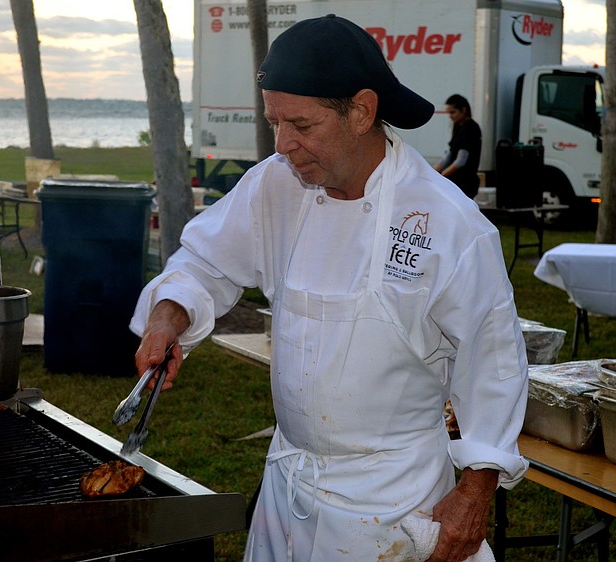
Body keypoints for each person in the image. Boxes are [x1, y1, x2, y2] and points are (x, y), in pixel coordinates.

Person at [131, 14, 529, 562]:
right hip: (287, 489)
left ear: (362, 111)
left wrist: (476, 490)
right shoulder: (274, 186)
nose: (283, 144)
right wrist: (167, 316)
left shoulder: (448, 223)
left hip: (392, 501)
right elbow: (205, 262)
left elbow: (493, 362)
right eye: (274, 122)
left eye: (301, 124)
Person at [434, 94, 482, 199]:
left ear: (463, 110)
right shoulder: (458, 127)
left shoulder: (470, 129)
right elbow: (450, 155)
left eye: (453, 112)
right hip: (456, 181)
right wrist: (434, 172)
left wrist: (441, 176)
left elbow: (461, 160)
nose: (450, 116)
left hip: (464, 182)